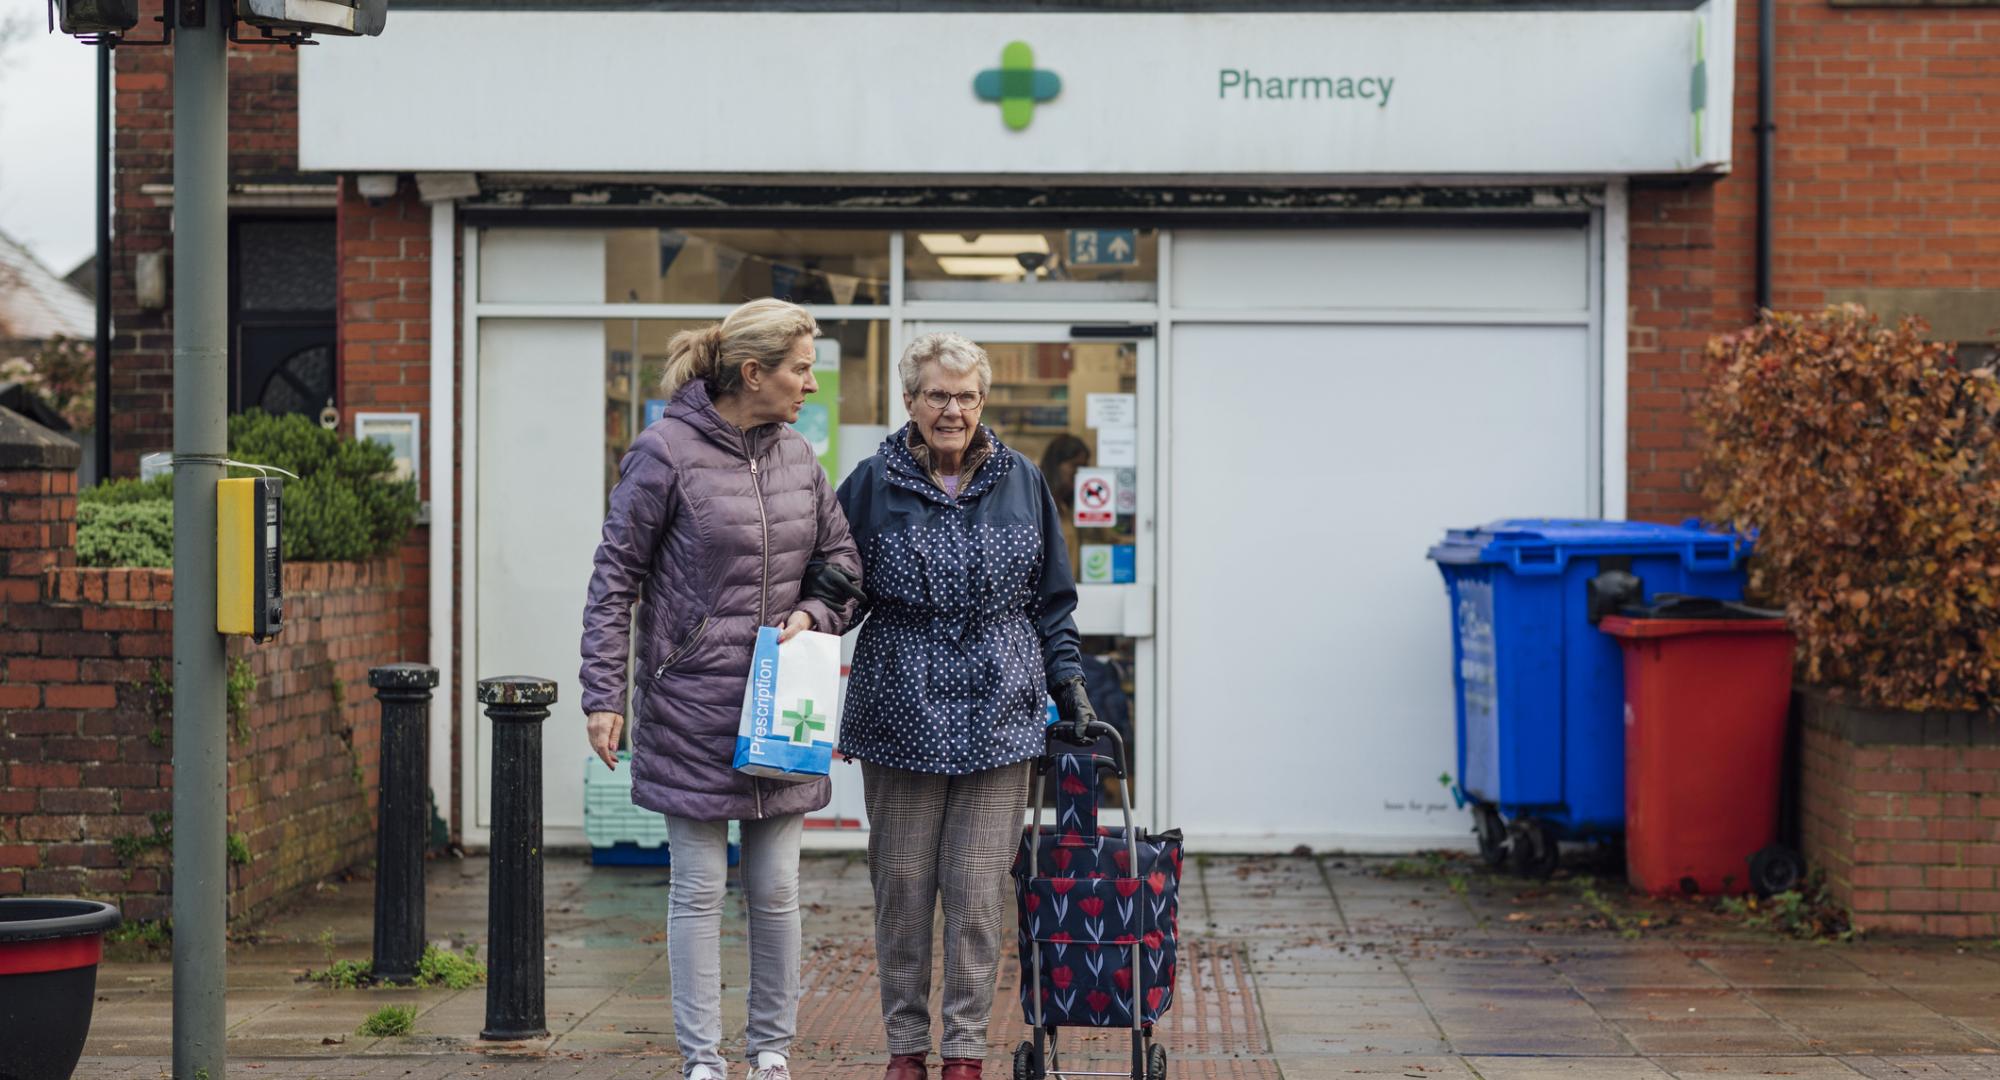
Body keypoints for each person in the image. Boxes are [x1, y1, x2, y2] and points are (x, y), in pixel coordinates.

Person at [579, 297, 864, 1080]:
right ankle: (702, 1060)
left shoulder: (800, 459)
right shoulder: (664, 453)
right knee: (699, 890)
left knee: (774, 890)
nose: (810, 384)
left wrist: (813, 610)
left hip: (783, 707)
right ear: (753, 372)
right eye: (800, 368)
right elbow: (615, 580)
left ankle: (771, 1048)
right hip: (692, 707)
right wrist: (603, 694)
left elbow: (841, 563)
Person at [834, 331, 1099, 1080]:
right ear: (910, 400)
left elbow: (1053, 601)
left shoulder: (1020, 481)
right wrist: (802, 628)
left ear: (983, 402)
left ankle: (964, 1052)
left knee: (980, 893)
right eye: (938, 395)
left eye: (967, 396)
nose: (953, 410)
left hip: (1001, 706)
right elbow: (837, 585)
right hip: (899, 706)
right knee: (905, 887)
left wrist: (1067, 684)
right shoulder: (869, 483)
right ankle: (906, 1049)